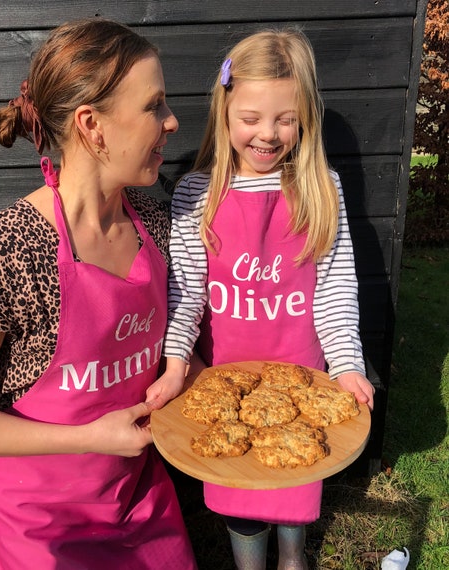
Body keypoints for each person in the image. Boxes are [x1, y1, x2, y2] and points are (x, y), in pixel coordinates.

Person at [0, 18, 197, 570]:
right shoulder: (9, 251)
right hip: (44, 515)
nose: (172, 121)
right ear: (93, 125)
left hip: (136, 494)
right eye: (154, 105)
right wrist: (91, 435)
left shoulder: (155, 223)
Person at [155, 28, 375, 570]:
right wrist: (176, 361)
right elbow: (184, 294)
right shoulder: (195, 195)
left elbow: (336, 289)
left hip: (302, 372)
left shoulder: (322, 187)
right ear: (225, 111)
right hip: (223, 379)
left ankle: (294, 559)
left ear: (305, 118)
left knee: (294, 487)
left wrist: (347, 365)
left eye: (285, 119)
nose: (268, 135)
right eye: (251, 118)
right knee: (240, 490)